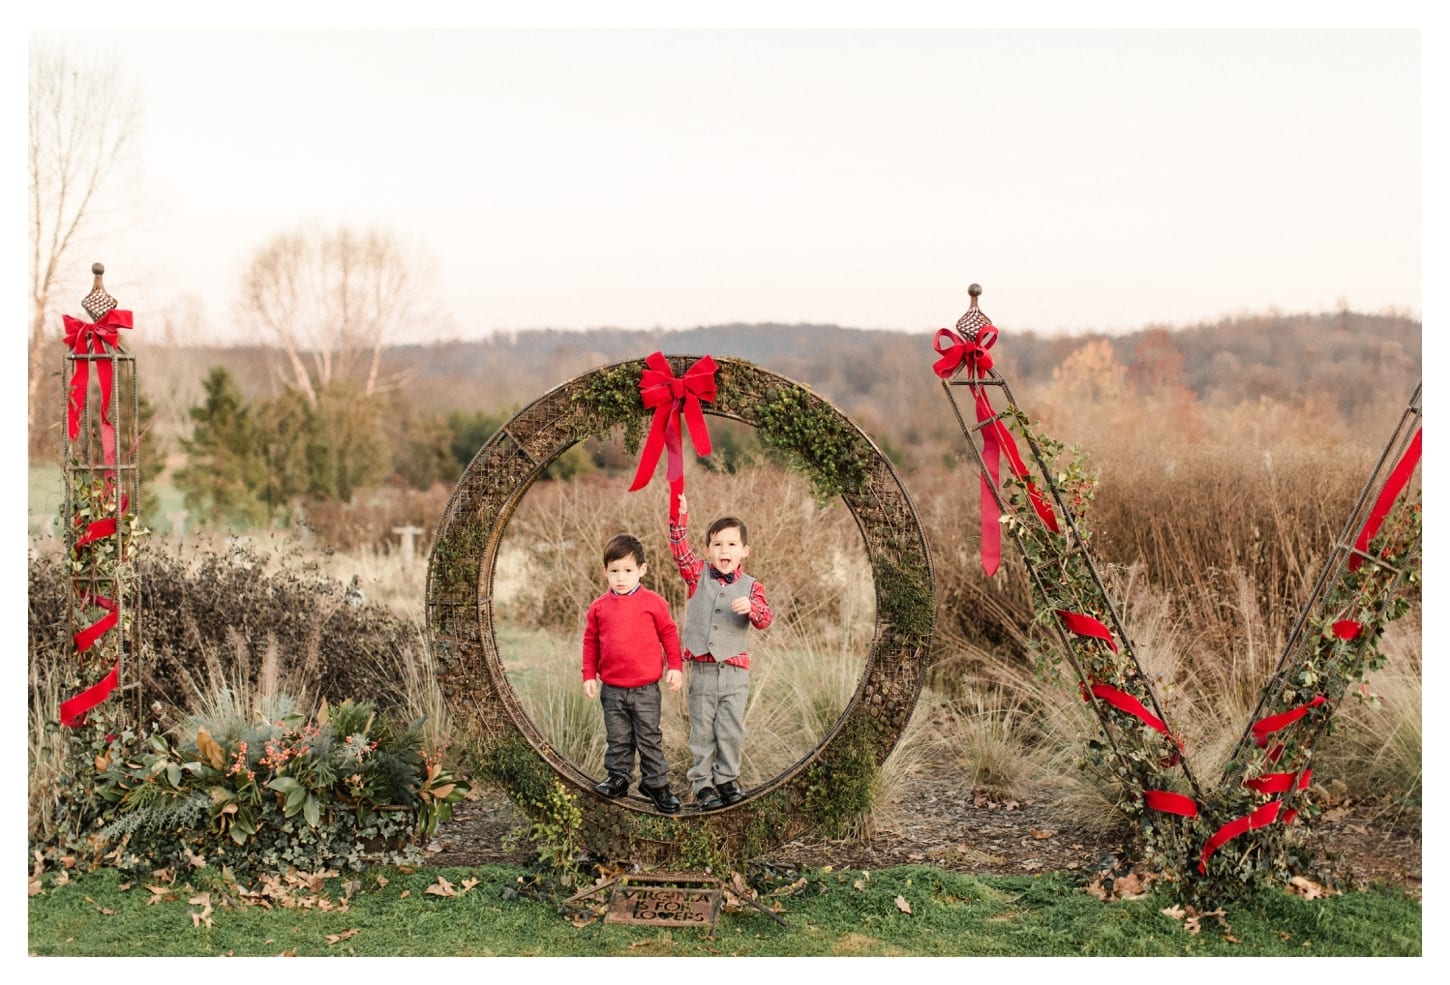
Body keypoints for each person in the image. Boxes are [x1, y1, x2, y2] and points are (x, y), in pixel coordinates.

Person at [669, 493, 773, 811]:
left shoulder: (752, 587)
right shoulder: (696, 575)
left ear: (744, 551)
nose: (723, 550)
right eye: (717, 544)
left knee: (730, 729)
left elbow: (766, 619)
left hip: (734, 673)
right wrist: (680, 518)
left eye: (731, 544)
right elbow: (680, 552)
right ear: (707, 551)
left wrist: (752, 609)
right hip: (702, 671)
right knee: (702, 729)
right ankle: (703, 785)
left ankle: (727, 779)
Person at [581, 533, 684, 814]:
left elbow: (669, 634)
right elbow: (590, 642)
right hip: (612, 689)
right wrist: (589, 674)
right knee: (618, 739)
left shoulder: (653, 602)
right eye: (614, 572)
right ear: (605, 572)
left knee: (649, 737)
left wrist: (675, 666)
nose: (621, 578)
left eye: (628, 571)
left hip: (646, 689)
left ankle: (656, 784)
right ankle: (619, 777)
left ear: (642, 569)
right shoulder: (599, 607)